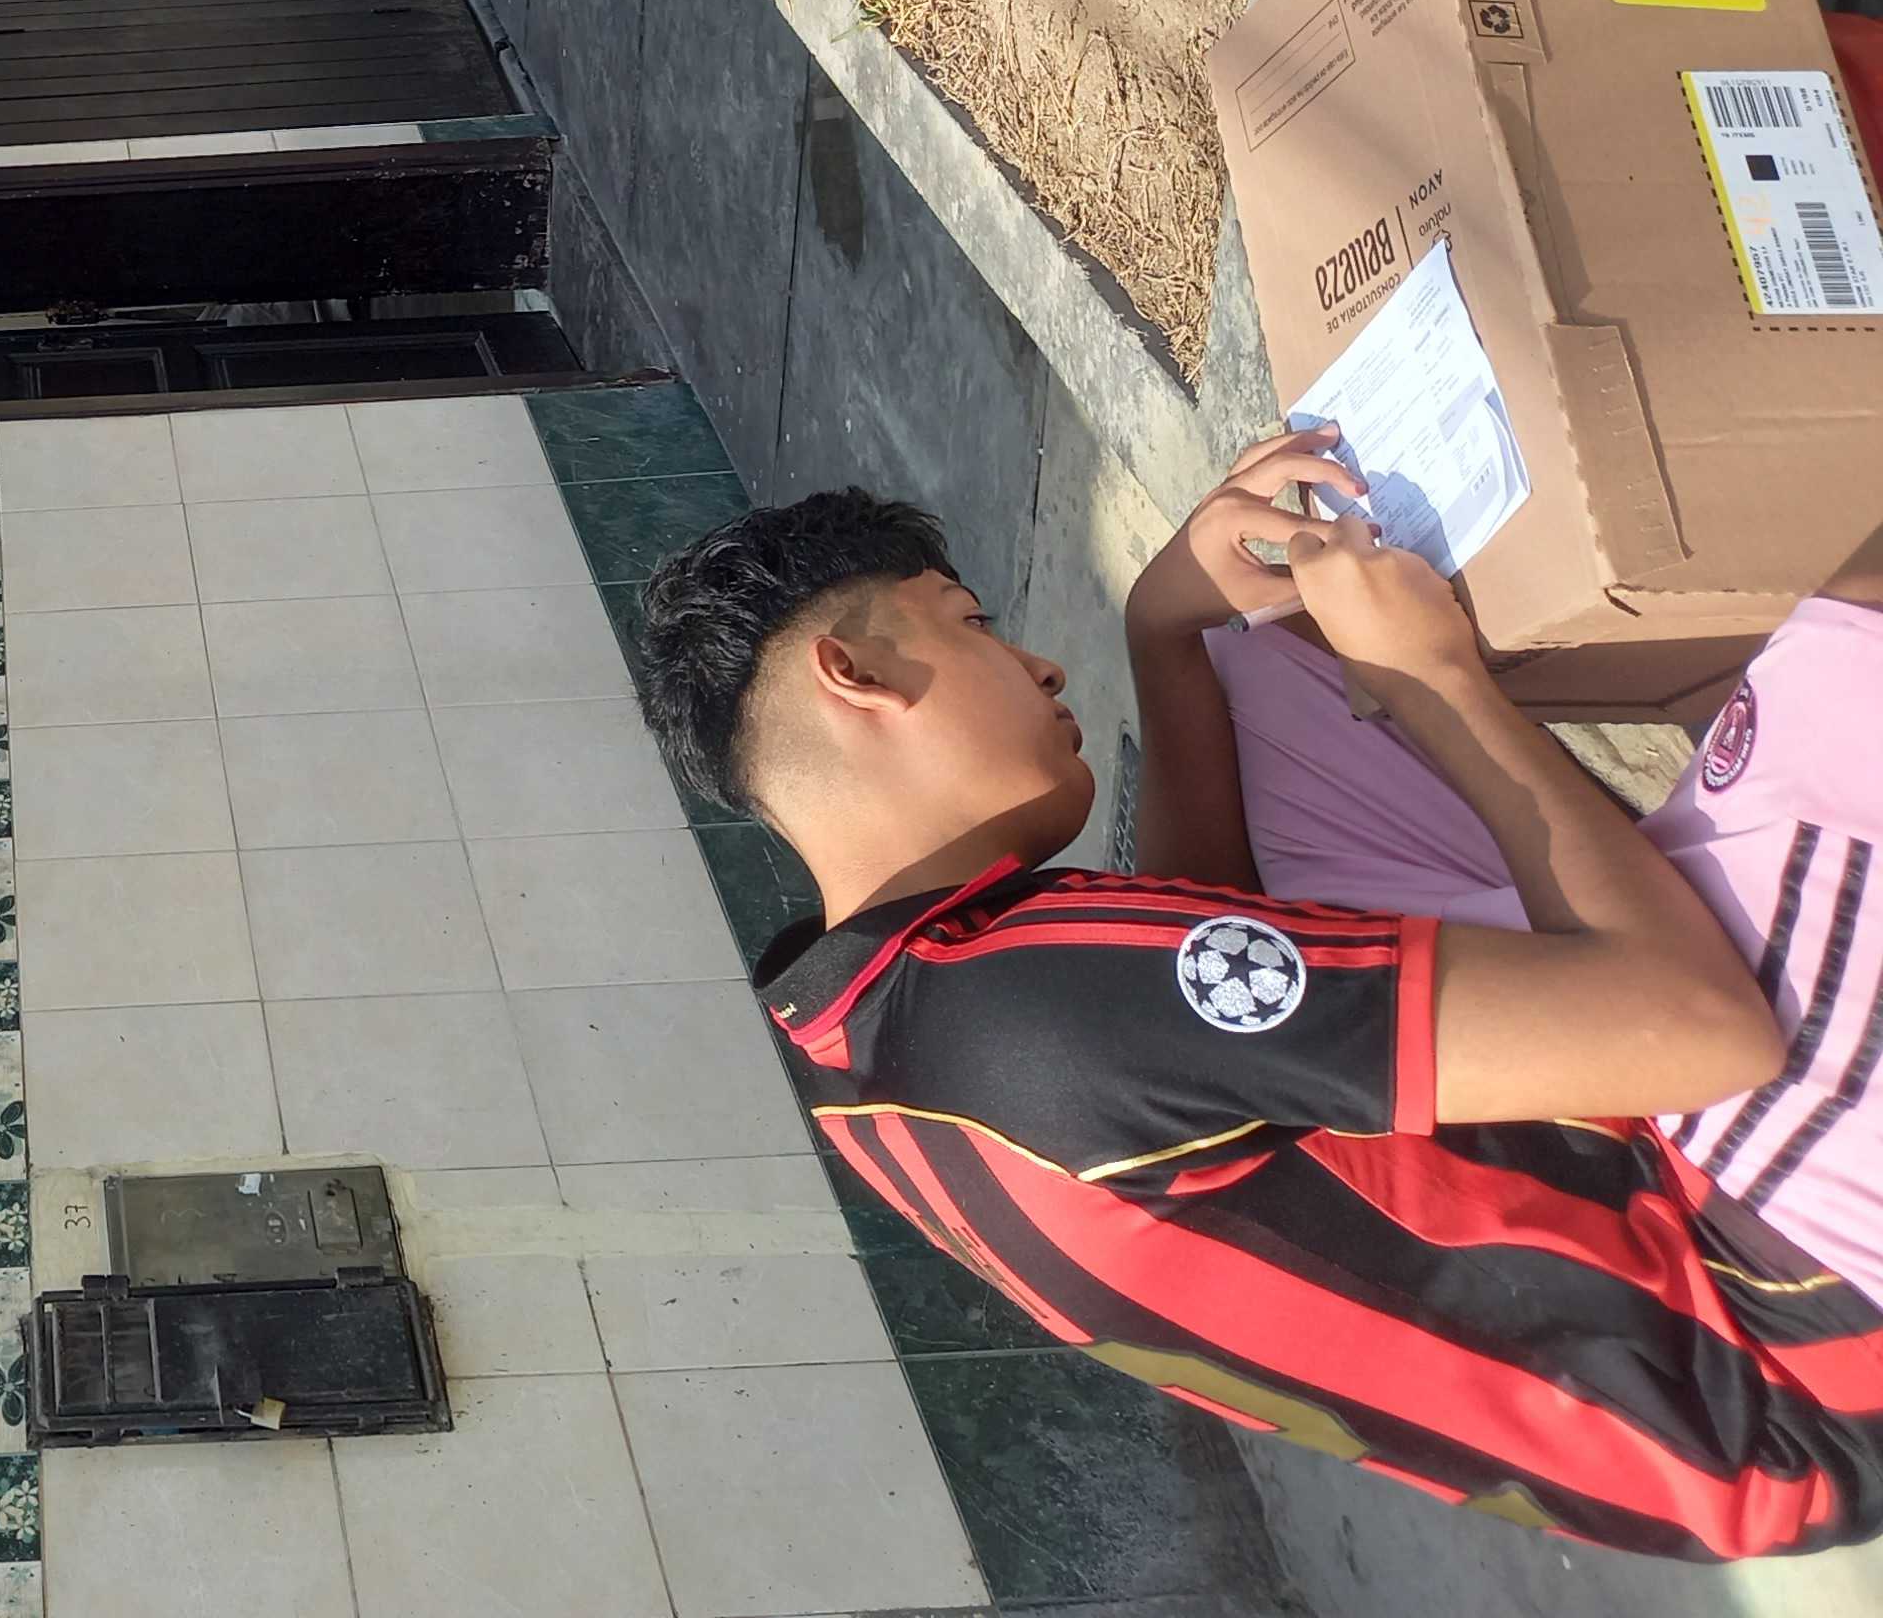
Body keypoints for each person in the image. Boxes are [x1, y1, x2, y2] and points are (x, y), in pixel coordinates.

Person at [636, 434, 1883, 1561]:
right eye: (972, 627)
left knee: (1265, 658)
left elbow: (1200, 1003)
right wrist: (1435, 677)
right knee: (1851, 659)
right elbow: (1696, 1026)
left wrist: (1163, 628)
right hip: (1785, 1329)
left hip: (1672, 1309)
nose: (1039, 664)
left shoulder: (862, 1029)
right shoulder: (1031, 1004)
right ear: (854, 674)